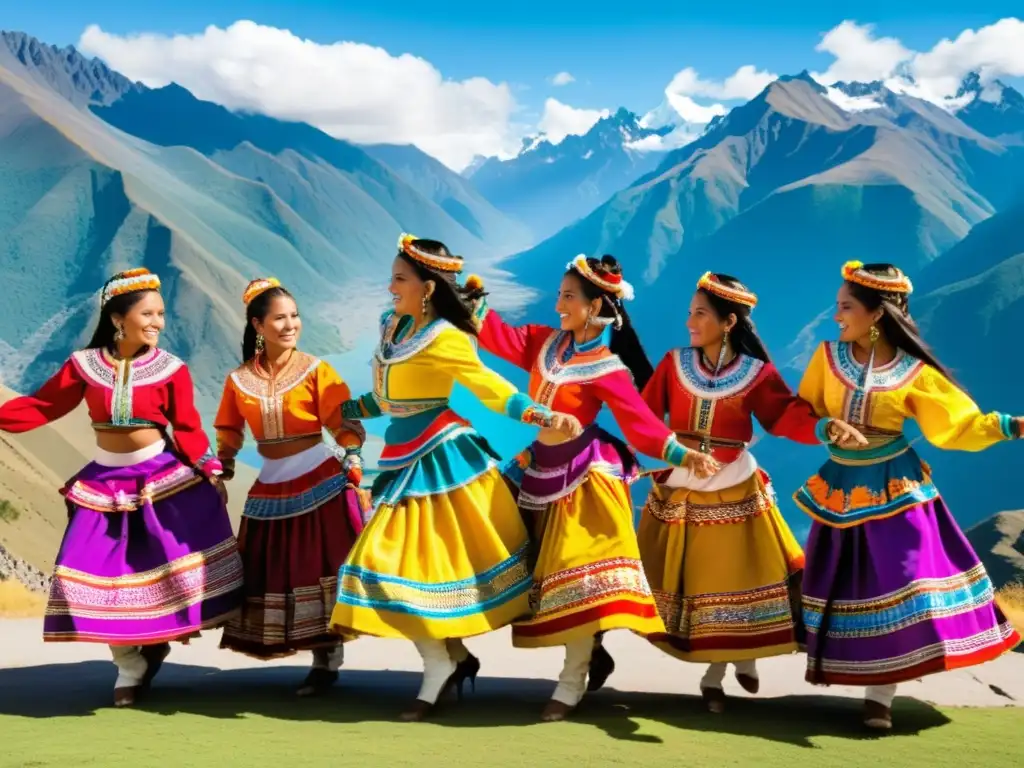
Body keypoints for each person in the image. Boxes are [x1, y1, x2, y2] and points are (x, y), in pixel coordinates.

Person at [329, 233, 583, 723]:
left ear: (427, 288)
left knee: (389, 565)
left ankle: (441, 665)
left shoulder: (446, 337)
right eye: (391, 277)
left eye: (399, 279)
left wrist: (541, 415)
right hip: (400, 458)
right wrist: (345, 409)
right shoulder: (392, 325)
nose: (389, 288)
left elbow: (489, 386)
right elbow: (386, 399)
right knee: (412, 571)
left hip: (441, 462)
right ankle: (450, 659)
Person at [470, 254, 718, 722]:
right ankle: (590, 653)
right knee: (517, 568)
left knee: (578, 580)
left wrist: (686, 455)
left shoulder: (608, 369)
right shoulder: (545, 343)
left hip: (584, 478)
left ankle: (571, 680)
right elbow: (499, 337)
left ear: (595, 306)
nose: (558, 303)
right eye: (560, 294)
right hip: (536, 470)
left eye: (568, 297)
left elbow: (642, 427)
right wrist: (468, 302)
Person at [793, 260, 1022, 730]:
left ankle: (882, 695)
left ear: (876, 314)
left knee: (905, 580)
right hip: (840, 489)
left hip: (897, 486)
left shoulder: (913, 372)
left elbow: (955, 426)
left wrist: (1011, 426)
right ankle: (859, 673)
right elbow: (802, 410)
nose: (836, 316)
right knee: (844, 582)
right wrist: (824, 425)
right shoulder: (826, 358)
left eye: (846, 307)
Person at [0, 268, 244, 707]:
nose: (158, 322)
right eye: (148, 313)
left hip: (161, 481)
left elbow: (187, 427)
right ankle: (129, 662)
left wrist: (209, 469)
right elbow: (41, 407)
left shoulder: (172, 369)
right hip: (103, 483)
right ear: (118, 319)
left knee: (164, 574)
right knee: (93, 574)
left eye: (162, 314)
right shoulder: (84, 366)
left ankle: (147, 654)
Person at [636, 272, 865, 714]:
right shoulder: (672, 363)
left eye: (699, 314)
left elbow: (784, 416)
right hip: (679, 483)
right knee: (668, 579)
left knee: (726, 582)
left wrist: (824, 427)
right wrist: (661, 452)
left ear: (728, 322)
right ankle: (733, 656)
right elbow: (643, 419)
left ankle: (715, 675)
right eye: (689, 313)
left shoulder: (756, 374)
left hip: (731, 486)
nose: (689, 322)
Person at [213, 278, 369, 696]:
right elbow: (229, 432)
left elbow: (342, 420)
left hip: (319, 479)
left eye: (294, 316)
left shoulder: (317, 370)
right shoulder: (238, 380)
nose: (290, 325)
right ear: (257, 325)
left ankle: (326, 658)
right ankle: (306, 648)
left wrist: (351, 452)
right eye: (279, 318)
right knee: (276, 572)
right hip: (271, 484)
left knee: (321, 567)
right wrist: (221, 467)